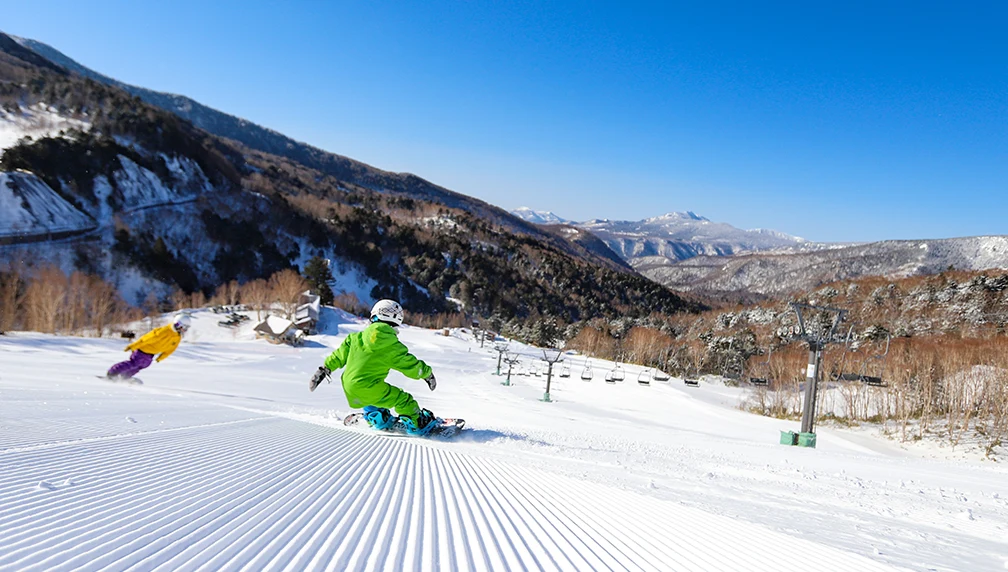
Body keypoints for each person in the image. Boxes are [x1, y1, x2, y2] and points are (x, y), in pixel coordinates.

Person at [311, 299, 438, 435]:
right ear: (397, 319)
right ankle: (417, 424)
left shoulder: (355, 338)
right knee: (403, 399)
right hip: (369, 386)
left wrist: (324, 369)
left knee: (371, 395)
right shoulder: (391, 345)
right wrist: (426, 374)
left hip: (349, 386)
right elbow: (410, 365)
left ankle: (377, 417)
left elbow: (338, 356)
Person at [106, 313, 190, 379]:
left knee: (141, 366)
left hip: (151, 354)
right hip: (142, 350)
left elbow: (171, 348)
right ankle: (113, 373)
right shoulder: (164, 331)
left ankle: (124, 377)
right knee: (134, 363)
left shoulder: (177, 337)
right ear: (178, 324)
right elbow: (147, 338)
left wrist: (161, 357)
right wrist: (134, 345)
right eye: (184, 327)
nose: (185, 330)